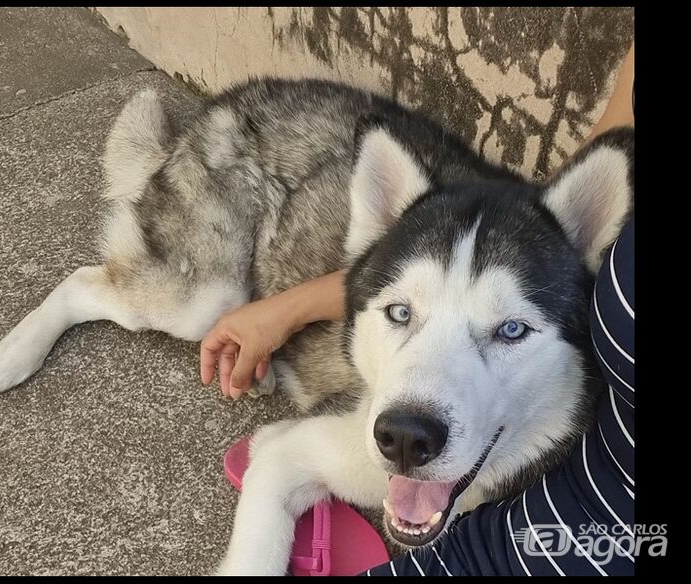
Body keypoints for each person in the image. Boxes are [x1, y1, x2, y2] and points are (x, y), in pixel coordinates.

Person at [201, 42, 635, 575]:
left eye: (511, 330)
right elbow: (279, 459)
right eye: (401, 314)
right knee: (197, 309)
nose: (408, 421)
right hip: (253, 161)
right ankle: (77, 302)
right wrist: (286, 310)